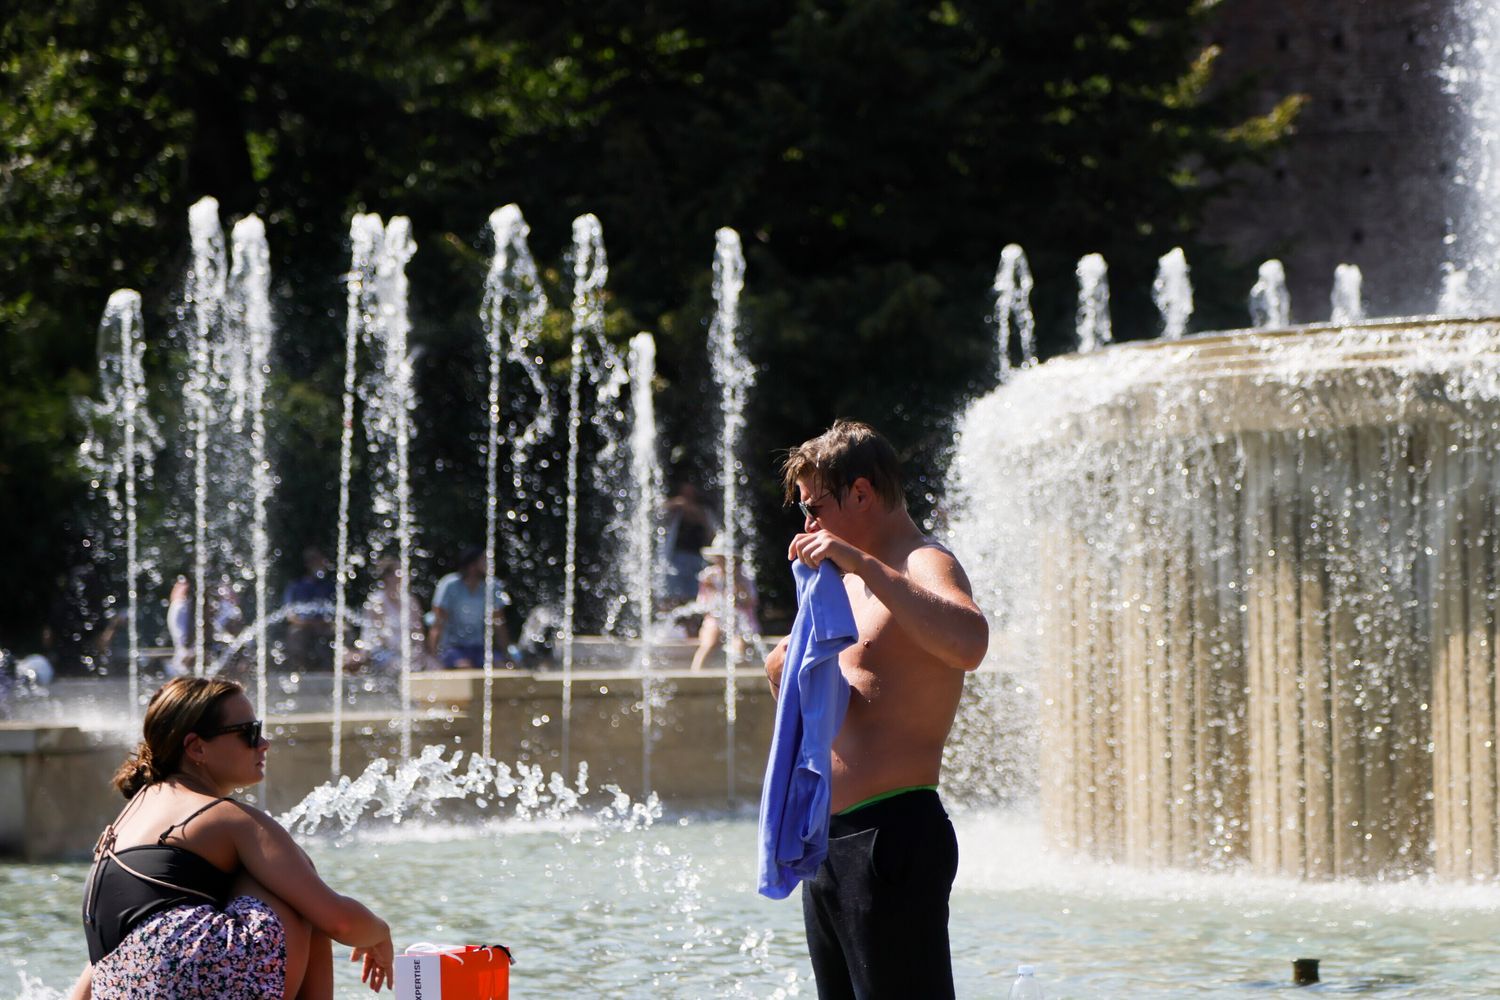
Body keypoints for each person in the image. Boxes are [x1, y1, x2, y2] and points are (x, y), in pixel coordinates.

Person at [763, 420, 988, 1000]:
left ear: (861, 493)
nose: (809, 526)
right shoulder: (845, 586)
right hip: (830, 840)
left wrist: (863, 566)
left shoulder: (921, 561)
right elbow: (842, 718)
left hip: (893, 833)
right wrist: (786, 677)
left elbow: (969, 643)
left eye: (816, 508)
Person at [68, 675, 394, 999]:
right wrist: (379, 932)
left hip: (118, 987)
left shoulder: (130, 815)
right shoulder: (228, 819)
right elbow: (339, 922)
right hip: (193, 981)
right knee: (298, 894)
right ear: (197, 748)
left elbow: (108, 948)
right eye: (249, 733)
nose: (263, 743)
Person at [427, 546, 516, 670]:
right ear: (472, 565)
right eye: (484, 560)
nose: (489, 564)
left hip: (480, 648)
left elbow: (499, 624)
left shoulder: (493, 586)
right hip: (452, 647)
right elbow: (438, 623)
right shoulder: (449, 585)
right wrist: (432, 656)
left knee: (501, 667)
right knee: (465, 667)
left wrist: (507, 655)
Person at [689, 536, 760, 672]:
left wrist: (738, 587)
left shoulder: (744, 577)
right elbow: (702, 604)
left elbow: (750, 601)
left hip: (739, 620)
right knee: (709, 641)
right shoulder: (709, 576)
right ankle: (696, 673)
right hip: (716, 618)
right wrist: (711, 589)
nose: (722, 562)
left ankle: (742, 676)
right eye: (719, 558)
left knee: (739, 643)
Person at [357, 558, 426, 674]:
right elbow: (382, 637)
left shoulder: (411, 601)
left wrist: (418, 652)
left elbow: (418, 632)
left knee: (434, 666)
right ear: (387, 577)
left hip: (405, 653)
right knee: (400, 668)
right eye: (399, 573)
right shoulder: (376, 602)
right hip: (381, 652)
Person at [660, 480, 717, 612]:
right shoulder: (676, 509)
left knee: (695, 595)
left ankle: (691, 625)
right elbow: (658, 510)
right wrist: (678, 503)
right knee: (674, 595)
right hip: (676, 558)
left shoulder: (704, 512)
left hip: (697, 558)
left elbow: (712, 533)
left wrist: (695, 513)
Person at [282, 546, 336, 671]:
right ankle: (298, 669)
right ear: (308, 564)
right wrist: (308, 623)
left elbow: (335, 612)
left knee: (344, 631)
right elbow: (290, 615)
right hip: (303, 625)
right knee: (294, 633)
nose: (321, 564)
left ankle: (336, 668)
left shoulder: (328, 587)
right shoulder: (295, 587)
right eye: (316, 561)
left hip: (324, 625)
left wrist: (324, 622)